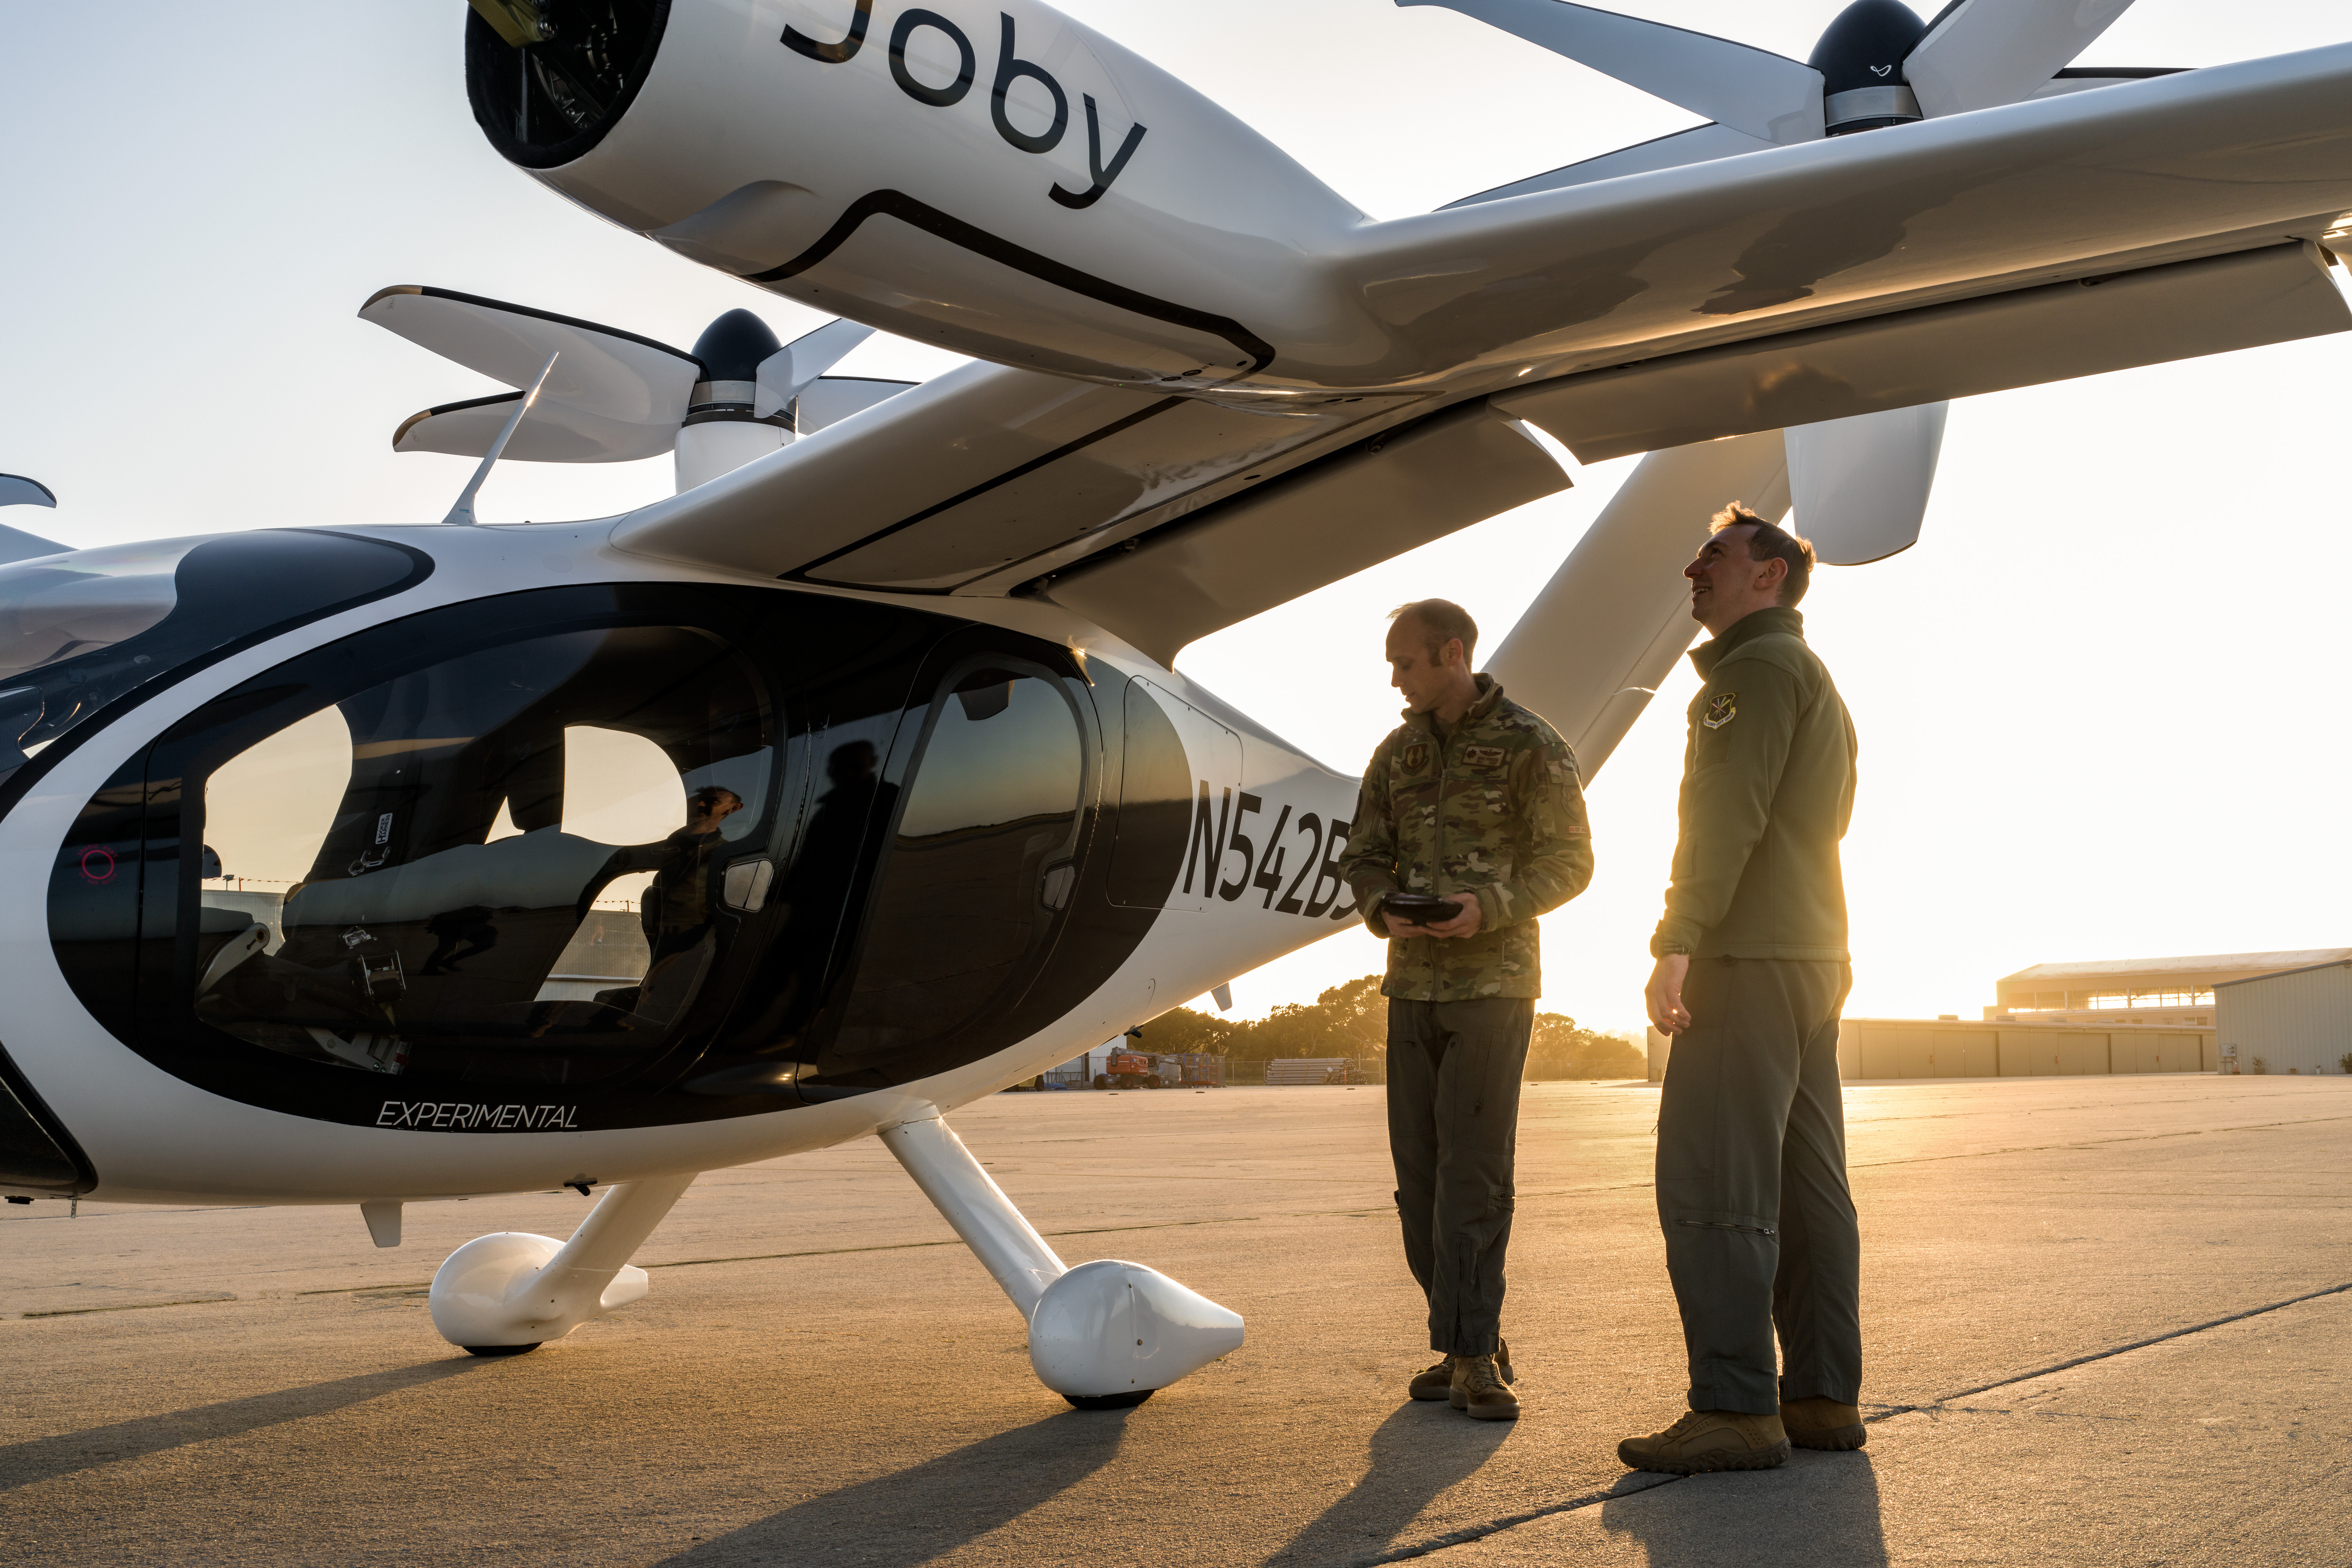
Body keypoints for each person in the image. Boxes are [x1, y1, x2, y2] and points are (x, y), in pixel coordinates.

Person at [1621, 503, 1862, 1474]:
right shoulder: (1813, 676)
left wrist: (1679, 937)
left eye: (1714, 553)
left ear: (1769, 575)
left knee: (1715, 1178)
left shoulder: (1750, 674)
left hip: (1748, 959)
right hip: (1812, 956)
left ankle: (1733, 1404)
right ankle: (1819, 1394)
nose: (1695, 566)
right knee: (1809, 1190)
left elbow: (1725, 816)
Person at [1339, 598, 1593, 1422]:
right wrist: (1386, 907)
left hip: (1494, 984)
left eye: (1405, 662)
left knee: (1473, 1175)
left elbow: (1571, 860)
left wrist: (1490, 905)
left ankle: (1476, 1354)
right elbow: (1363, 856)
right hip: (1411, 983)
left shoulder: (1531, 743)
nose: (1394, 677)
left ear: (1452, 653)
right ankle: (1460, 1341)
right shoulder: (1398, 752)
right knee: (1419, 1180)